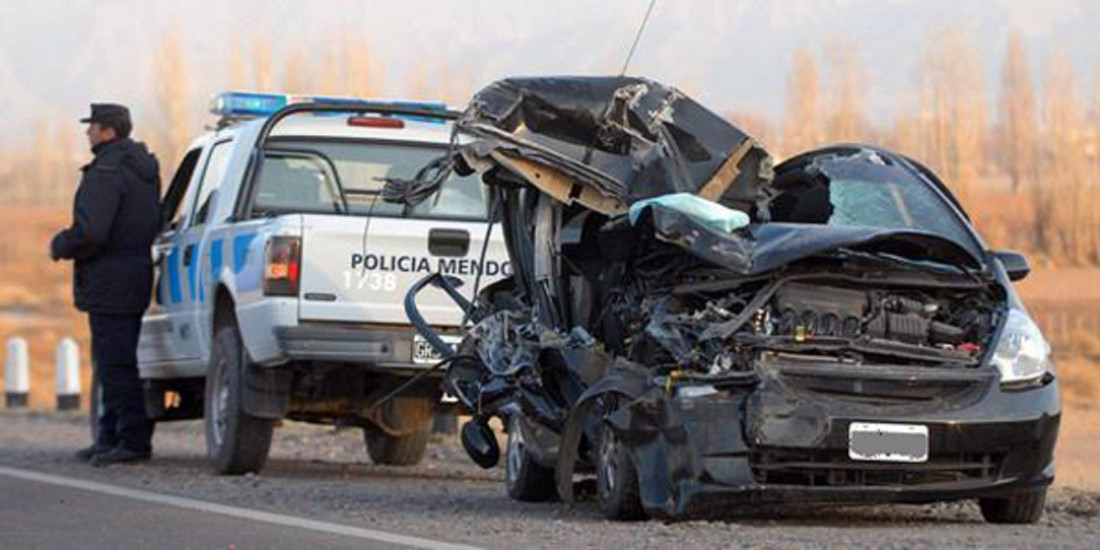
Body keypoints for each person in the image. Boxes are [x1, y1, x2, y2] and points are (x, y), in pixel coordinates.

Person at [51, 104, 161, 466]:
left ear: (108, 132)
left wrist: (62, 244)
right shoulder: (143, 168)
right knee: (117, 359)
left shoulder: (107, 171)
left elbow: (92, 231)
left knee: (114, 363)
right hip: (135, 274)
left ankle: (131, 441)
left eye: (92, 127)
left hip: (109, 279)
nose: (88, 133)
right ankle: (109, 435)